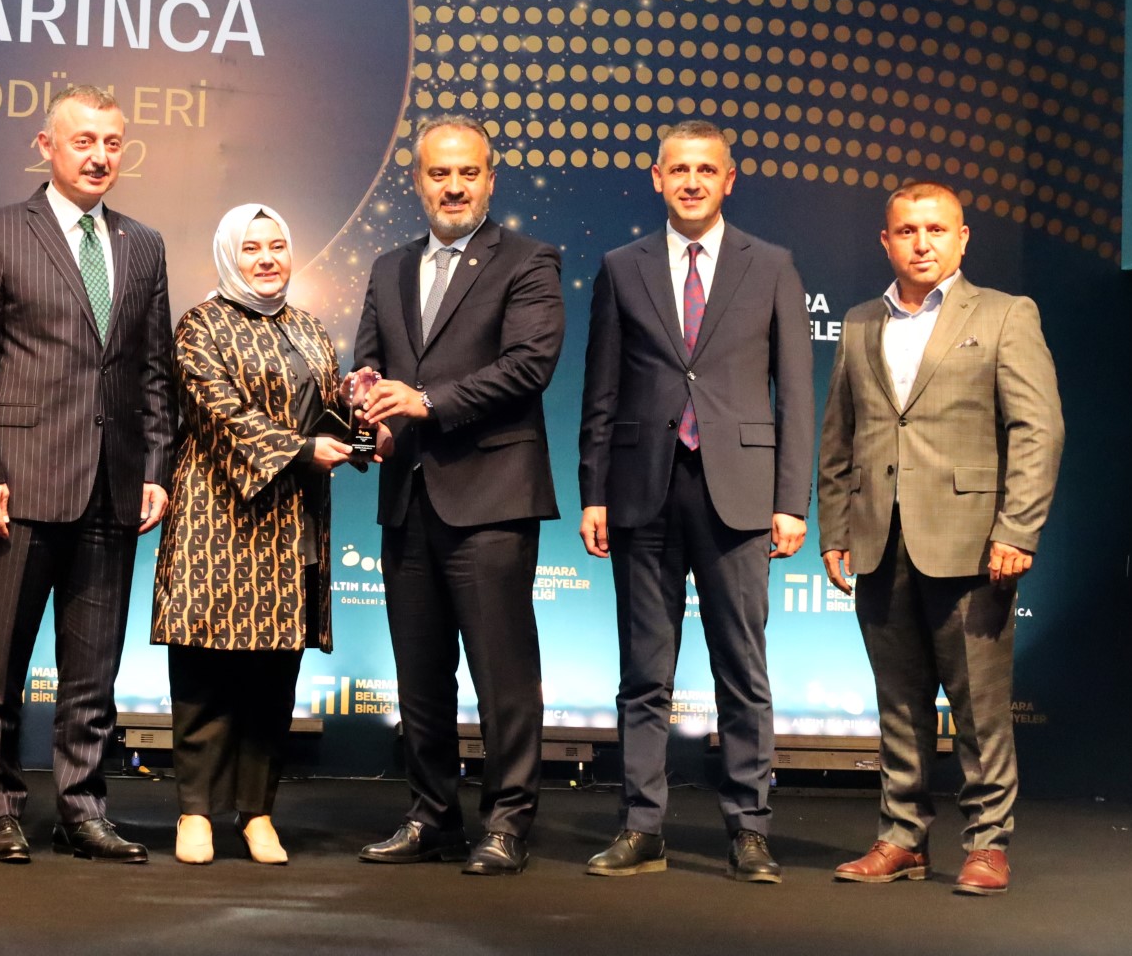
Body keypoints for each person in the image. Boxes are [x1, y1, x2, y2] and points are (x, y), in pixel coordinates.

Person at [0, 84, 179, 865]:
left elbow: (152, 370)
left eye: (111, 142)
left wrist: (155, 466)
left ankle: (82, 809)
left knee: (93, 672)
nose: (98, 156)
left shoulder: (142, 244)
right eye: (83, 141)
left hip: (112, 488)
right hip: (17, 485)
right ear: (45, 145)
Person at [577, 119, 812, 883]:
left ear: (727, 180)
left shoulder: (770, 265)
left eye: (705, 170)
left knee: (741, 669)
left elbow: (795, 393)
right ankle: (641, 826)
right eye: (677, 169)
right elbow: (600, 389)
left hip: (738, 494)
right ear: (656, 178)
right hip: (640, 490)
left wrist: (791, 500)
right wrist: (592, 491)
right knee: (644, 673)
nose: (690, 181)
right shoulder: (621, 267)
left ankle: (749, 828)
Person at [818, 181, 1063, 897]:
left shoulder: (1005, 314)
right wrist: (834, 526)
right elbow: (839, 435)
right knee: (898, 704)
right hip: (878, 539)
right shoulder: (860, 322)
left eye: (935, 229)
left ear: (961, 238)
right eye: (906, 230)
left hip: (973, 542)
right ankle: (902, 838)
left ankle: (987, 843)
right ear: (885, 241)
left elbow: (1037, 429)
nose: (920, 243)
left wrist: (1017, 527)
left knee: (979, 708)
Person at [348, 113, 564, 877]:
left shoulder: (529, 262)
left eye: (467, 173)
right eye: (438, 173)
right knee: (419, 675)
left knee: (503, 678)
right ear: (416, 182)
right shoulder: (388, 268)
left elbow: (528, 365)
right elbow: (369, 363)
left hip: (491, 499)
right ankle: (430, 816)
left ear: (489, 180)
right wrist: (365, 406)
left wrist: (425, 403)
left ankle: (506, 823)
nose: (453, 186)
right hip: (407, 496)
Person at [152, 204, 355, 866]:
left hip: (291, 525)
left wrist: (358, 414)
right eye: (251, 248)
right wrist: (301, 450)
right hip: (216, 520)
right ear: (227, 256)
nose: (267, 259)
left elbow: (325, 411)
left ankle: (257, 813)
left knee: (274, 676)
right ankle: (195, 812)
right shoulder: (200, 325)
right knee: (205, 672)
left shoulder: (308, 327)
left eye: (276, 246)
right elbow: (220, 413)